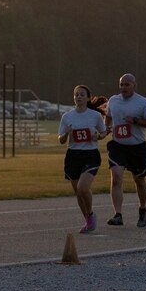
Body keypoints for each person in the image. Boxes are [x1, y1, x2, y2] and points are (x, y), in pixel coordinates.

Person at [104, 73, 146, 227]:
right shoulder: (113, 100)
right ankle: (118, 214)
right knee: (116, 177)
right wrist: (107, 127)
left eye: (127, 85)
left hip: (137, 147)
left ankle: (142, 210)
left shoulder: (143, 102)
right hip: (118, 146)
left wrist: (135, 120)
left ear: (134, 85)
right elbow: (108, 116)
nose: (124, 88)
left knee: (139, 180)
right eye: (121, 85)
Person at [58, 86, 109, 233]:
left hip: (90, 155)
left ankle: (91, 214)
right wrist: (66, 134)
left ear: (87, 98)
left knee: (83, 188)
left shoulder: (94, 116)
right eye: (76, 95)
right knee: (78, 192)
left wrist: (97, 136)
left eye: (82, 95)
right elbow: (61, 140)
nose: (78, 97)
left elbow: (103, 132)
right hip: (73, 156)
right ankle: (88, 219)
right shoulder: (67, 117)